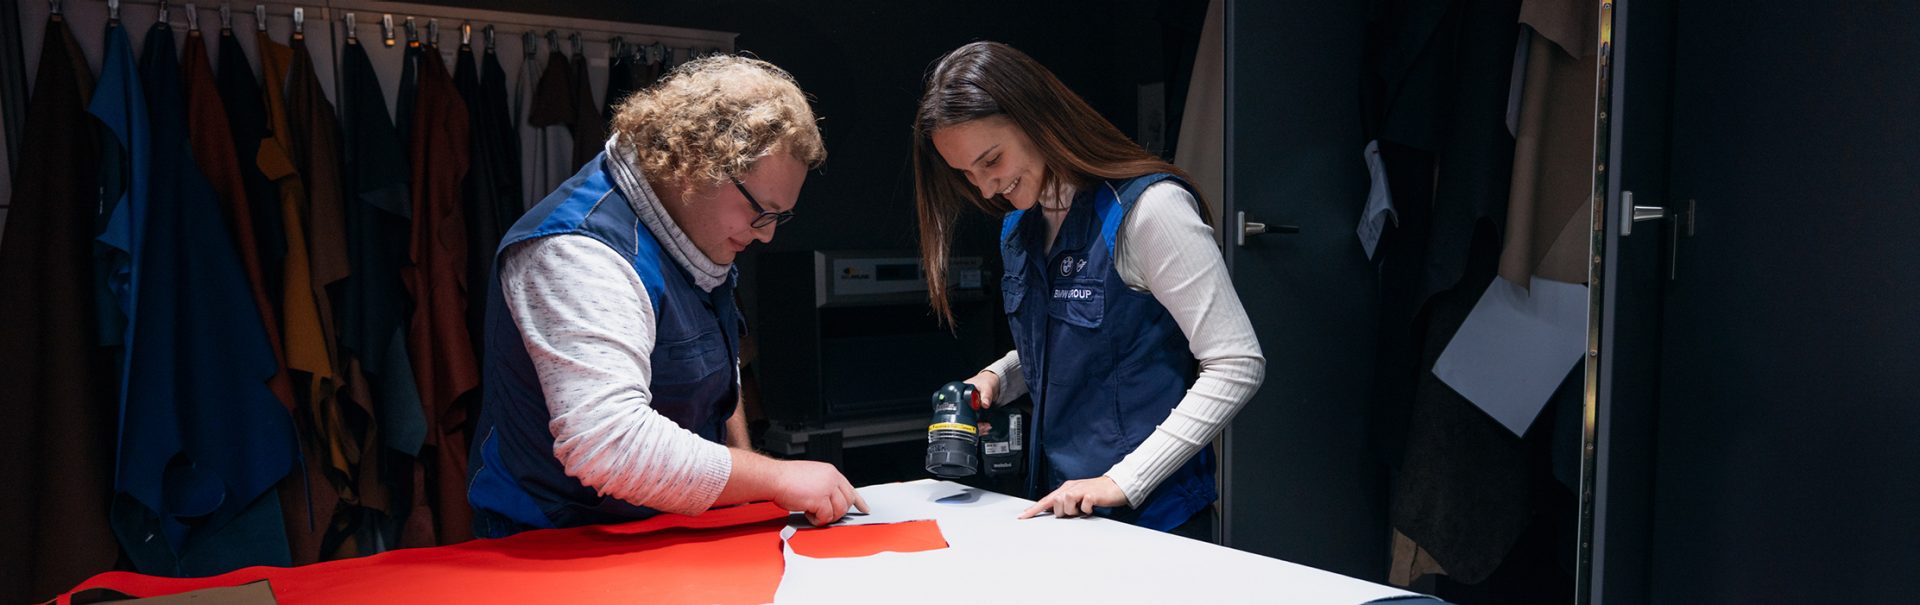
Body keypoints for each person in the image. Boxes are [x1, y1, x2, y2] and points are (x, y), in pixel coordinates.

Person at [468, 55, 866, 537]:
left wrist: (746, 472)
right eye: (762, 212)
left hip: (662, 529)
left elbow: (715, 369)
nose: (766, 237)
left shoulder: (695, 231)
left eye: (780, 218)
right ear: (695, 166)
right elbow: (610, 446)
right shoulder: (577, 254)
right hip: (557, 541)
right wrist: (778, 477)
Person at [912, 41, 1264, 540]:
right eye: (967, 174)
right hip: (1061, 507)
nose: (986, 188)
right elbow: (1076, 346)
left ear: (1037, 118)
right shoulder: (1020, 226)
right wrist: (999, 378)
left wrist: (1123, 481)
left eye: (991, 160)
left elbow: (1237, 362)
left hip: (1155, 521)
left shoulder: (1151, 210)